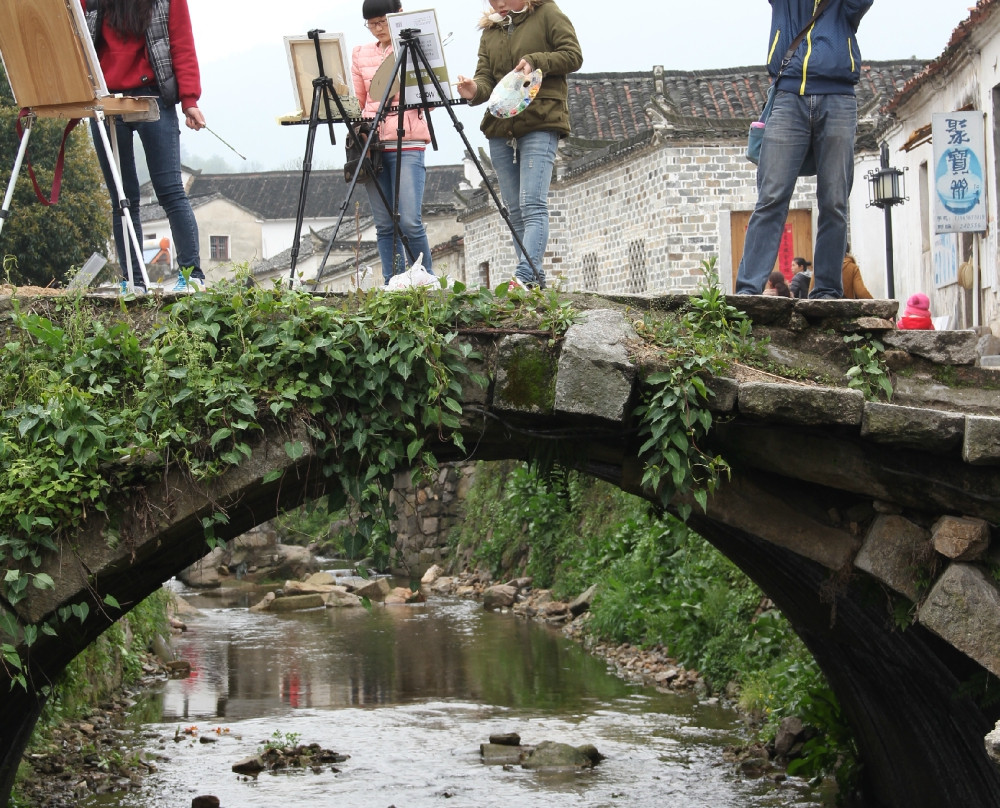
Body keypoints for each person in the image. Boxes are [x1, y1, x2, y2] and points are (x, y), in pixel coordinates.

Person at [735, 0, 873, 299]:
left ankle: (826, 290)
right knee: (771, 196)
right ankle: (748, 289)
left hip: (839, 96)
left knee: (835, 201)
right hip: (788, 95)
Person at [456, 0, 582, 289]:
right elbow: (486, 79)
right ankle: (533, 284)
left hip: (540, 119)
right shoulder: (490, 31)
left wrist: (538, 60)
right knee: (514, 209)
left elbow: (573, 55)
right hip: (501, 126)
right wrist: (474, 90)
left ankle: (524, 276)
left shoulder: (548, 12)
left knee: (533, 203)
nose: (498, 3)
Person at [83, 0, 207, 294]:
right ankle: (134, 281)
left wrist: (189, 100)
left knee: (171, 191)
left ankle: (191, 277)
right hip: (106, 102)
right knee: (122, 199)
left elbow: (182, 44)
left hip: (153, 98)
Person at [352, 0, 433, 285]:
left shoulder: (414, 47)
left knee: (409, 220)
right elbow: (359, 103)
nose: (376, 29)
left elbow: (431, 100)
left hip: (409, 140)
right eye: (371, 24)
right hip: (374, 144)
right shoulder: (360, 54)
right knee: (385, 224)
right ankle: (392, 282)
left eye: (381, 22)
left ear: (398, 16)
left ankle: (425, 279)